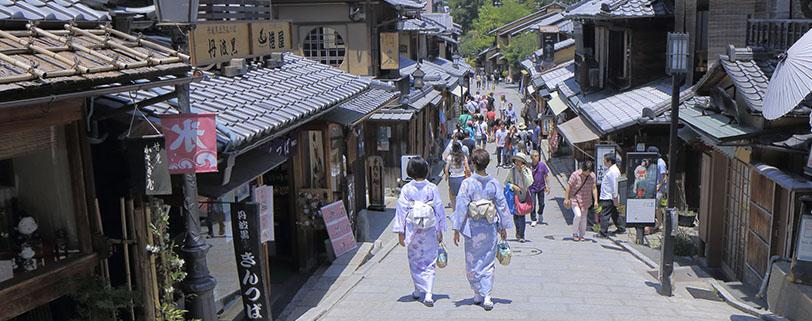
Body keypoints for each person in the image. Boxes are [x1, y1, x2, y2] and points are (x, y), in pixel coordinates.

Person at [452, 149, 513, 311]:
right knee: (487, 261)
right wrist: (503, 226)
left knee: (472, 261)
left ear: (473, 163)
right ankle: (484, 294)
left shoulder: (468, 183)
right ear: (487, 163)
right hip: (490, 227)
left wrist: (457, 228)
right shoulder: (493, 183)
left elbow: (461, 206)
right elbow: (502, 205)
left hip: (473, 229)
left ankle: (480, 292)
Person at [393, 157, 447, 306]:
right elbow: (438, 208)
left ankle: (418, 289)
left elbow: (401, 210)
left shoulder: (407, 189)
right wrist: (440, 228)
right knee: (429, 260)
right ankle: (427, 292)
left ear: (410, 171)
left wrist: (400, 231)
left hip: (413, 229)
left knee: (415, 260)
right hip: (429, 229)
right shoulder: (432, 188)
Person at [564, 161, 598, 241]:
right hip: (575, 198)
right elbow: (568, 187)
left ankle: (582, 235)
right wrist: (566, 198)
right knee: (578, 215)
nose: (585, 174)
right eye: (585, 172)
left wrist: (596, 200)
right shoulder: (575, 175)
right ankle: (575, 233)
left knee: (583, 218)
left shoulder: (592, 176)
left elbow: (594, 188)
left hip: (586, 200)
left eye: (588, 172)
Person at [505, 152, 534, 242]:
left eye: (519, 161)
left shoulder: (527, 171)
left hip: (524, 194)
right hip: (515, 195)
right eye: (516, 161)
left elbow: (530, 182)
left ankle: (522, 235)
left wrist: (524, 172)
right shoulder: (512, 170)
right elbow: (506, 182)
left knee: (522, 215)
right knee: (516, 215)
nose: (517, 163)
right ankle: (518, 231)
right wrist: (513, 186)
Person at [598, 153, 625, 237]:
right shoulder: (612, 170)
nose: (604, 162)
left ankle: (603, 232)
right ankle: (621, 227)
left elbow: (614, 185)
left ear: (609, 161)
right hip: (609, 196)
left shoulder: (613, 171)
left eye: (605, 160)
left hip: (608, 196)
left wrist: (615, 197)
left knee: (604, 214)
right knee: (614, 213)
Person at [528, 151, 550, 226]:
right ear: (531, 158)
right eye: (535, 156)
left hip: (541, 187)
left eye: (537, 155)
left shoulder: (542, 165)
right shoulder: (529, 166)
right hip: (532, 188)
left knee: (542, 204)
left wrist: (548, 186)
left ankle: (540, 213)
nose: (537, 157)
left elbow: (546, 175)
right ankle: (533, 219)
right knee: (533, 203)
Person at [445, 142, 470, 209]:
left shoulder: (450, 157)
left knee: (452, 194)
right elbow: (467, 168)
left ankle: (454, 209)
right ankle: (461, 209)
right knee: (462, 194)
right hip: (462, 177)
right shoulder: (463, 157)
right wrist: (469, 175)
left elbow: (446, 168)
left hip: (452, 177)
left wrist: (446, 176)